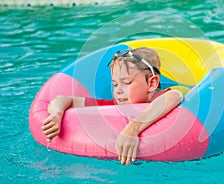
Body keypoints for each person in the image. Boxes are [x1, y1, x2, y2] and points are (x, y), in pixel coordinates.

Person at [41, 47, 183, 165]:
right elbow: (62, 99)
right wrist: (57, 114)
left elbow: (175, 95)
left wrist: (132, 130)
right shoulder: (114, 105)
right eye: (115, 84)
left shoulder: (157, 98)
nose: (118, 91)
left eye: (127, 83)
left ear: (151, 84)